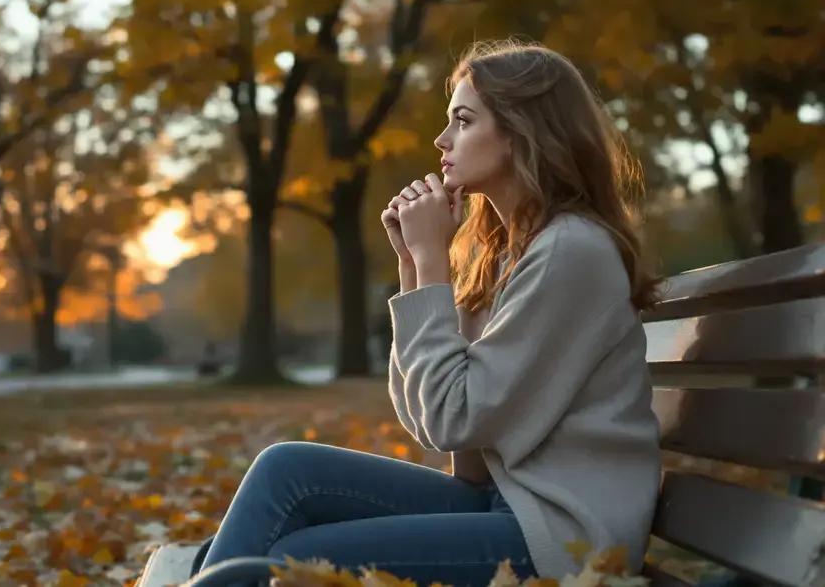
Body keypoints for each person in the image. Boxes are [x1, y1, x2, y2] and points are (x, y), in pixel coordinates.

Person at [192, 39, 664, 585]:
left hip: (563, 538)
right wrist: (413, 269)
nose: (442, 141)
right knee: (285, 472)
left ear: (521, 132)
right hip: (512, 505)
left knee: (283, 561)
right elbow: (430, 418)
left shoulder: (569, 250)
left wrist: (432, 258)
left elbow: (451, 420)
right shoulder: (515, 250)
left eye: (463, 121)